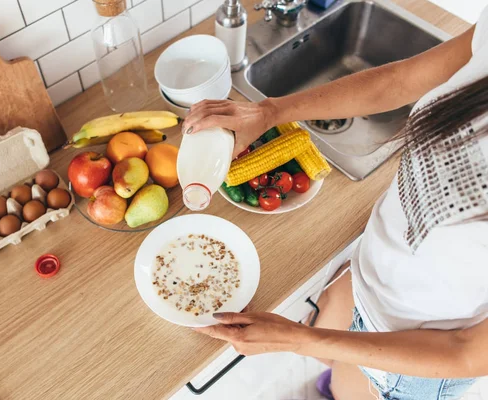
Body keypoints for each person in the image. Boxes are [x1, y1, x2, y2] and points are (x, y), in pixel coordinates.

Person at [185, 5, 488, 400]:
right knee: (340, 340)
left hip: (416, 358)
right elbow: (399, 81)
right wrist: (270, 111)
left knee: (353, 386)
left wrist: (301, 340)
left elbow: (468, 353)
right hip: (373, 273)